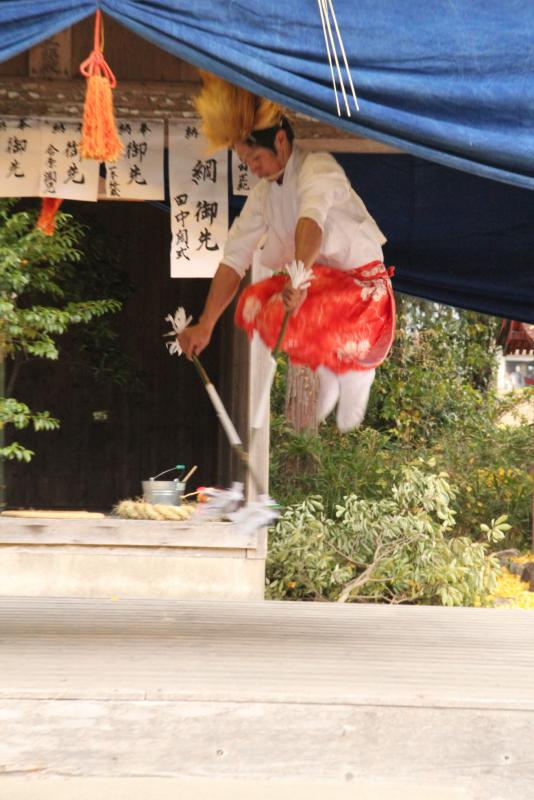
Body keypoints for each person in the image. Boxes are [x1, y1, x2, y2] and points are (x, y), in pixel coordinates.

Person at [179, 72, 395, 431]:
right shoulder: (264, 194)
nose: (253, 168)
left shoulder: (318, 167)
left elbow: (311, 222)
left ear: (280, 141)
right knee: (256, 301)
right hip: (321, 290)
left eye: (256, 159)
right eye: (247, 163)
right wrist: (206, 323)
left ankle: (355, 372)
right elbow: (235, 258)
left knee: (289, 296)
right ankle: (327, 366)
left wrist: (299, 277)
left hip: (363, 302)